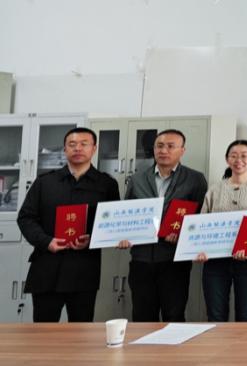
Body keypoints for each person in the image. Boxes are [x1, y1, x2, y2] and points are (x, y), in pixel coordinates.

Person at [16, 127, 120, 322]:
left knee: (81, 331)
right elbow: (26, 218)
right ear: (65, 149)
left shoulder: (106, 184)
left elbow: (113, 224)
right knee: (44, 331)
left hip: (84, 270)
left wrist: (92, 239)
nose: (77, 148)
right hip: (47, 268)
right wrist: (46, 241)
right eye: (72, 144)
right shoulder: (45, 182)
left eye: (84, 144)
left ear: (94, 148)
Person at [121, 128, 208, 322]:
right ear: (153, 149)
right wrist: (124, 236)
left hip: (174, 260)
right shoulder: (137, 179)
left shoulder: (195, 179)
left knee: (174, 316)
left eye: (170, 146)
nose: (163, 150)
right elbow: (127, 213)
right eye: (159, 146)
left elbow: (201, 219)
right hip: (141, 259)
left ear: (182, 150)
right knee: (142, 317)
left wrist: (183, 236)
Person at [195, 140, 247, 322]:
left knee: (245, 315)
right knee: (215, 316)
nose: (239, 160)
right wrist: (200, 249)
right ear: (227, 159)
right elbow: (202, 223)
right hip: (215, 261)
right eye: (234, 156)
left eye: (244, 155)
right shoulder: (215, 188)